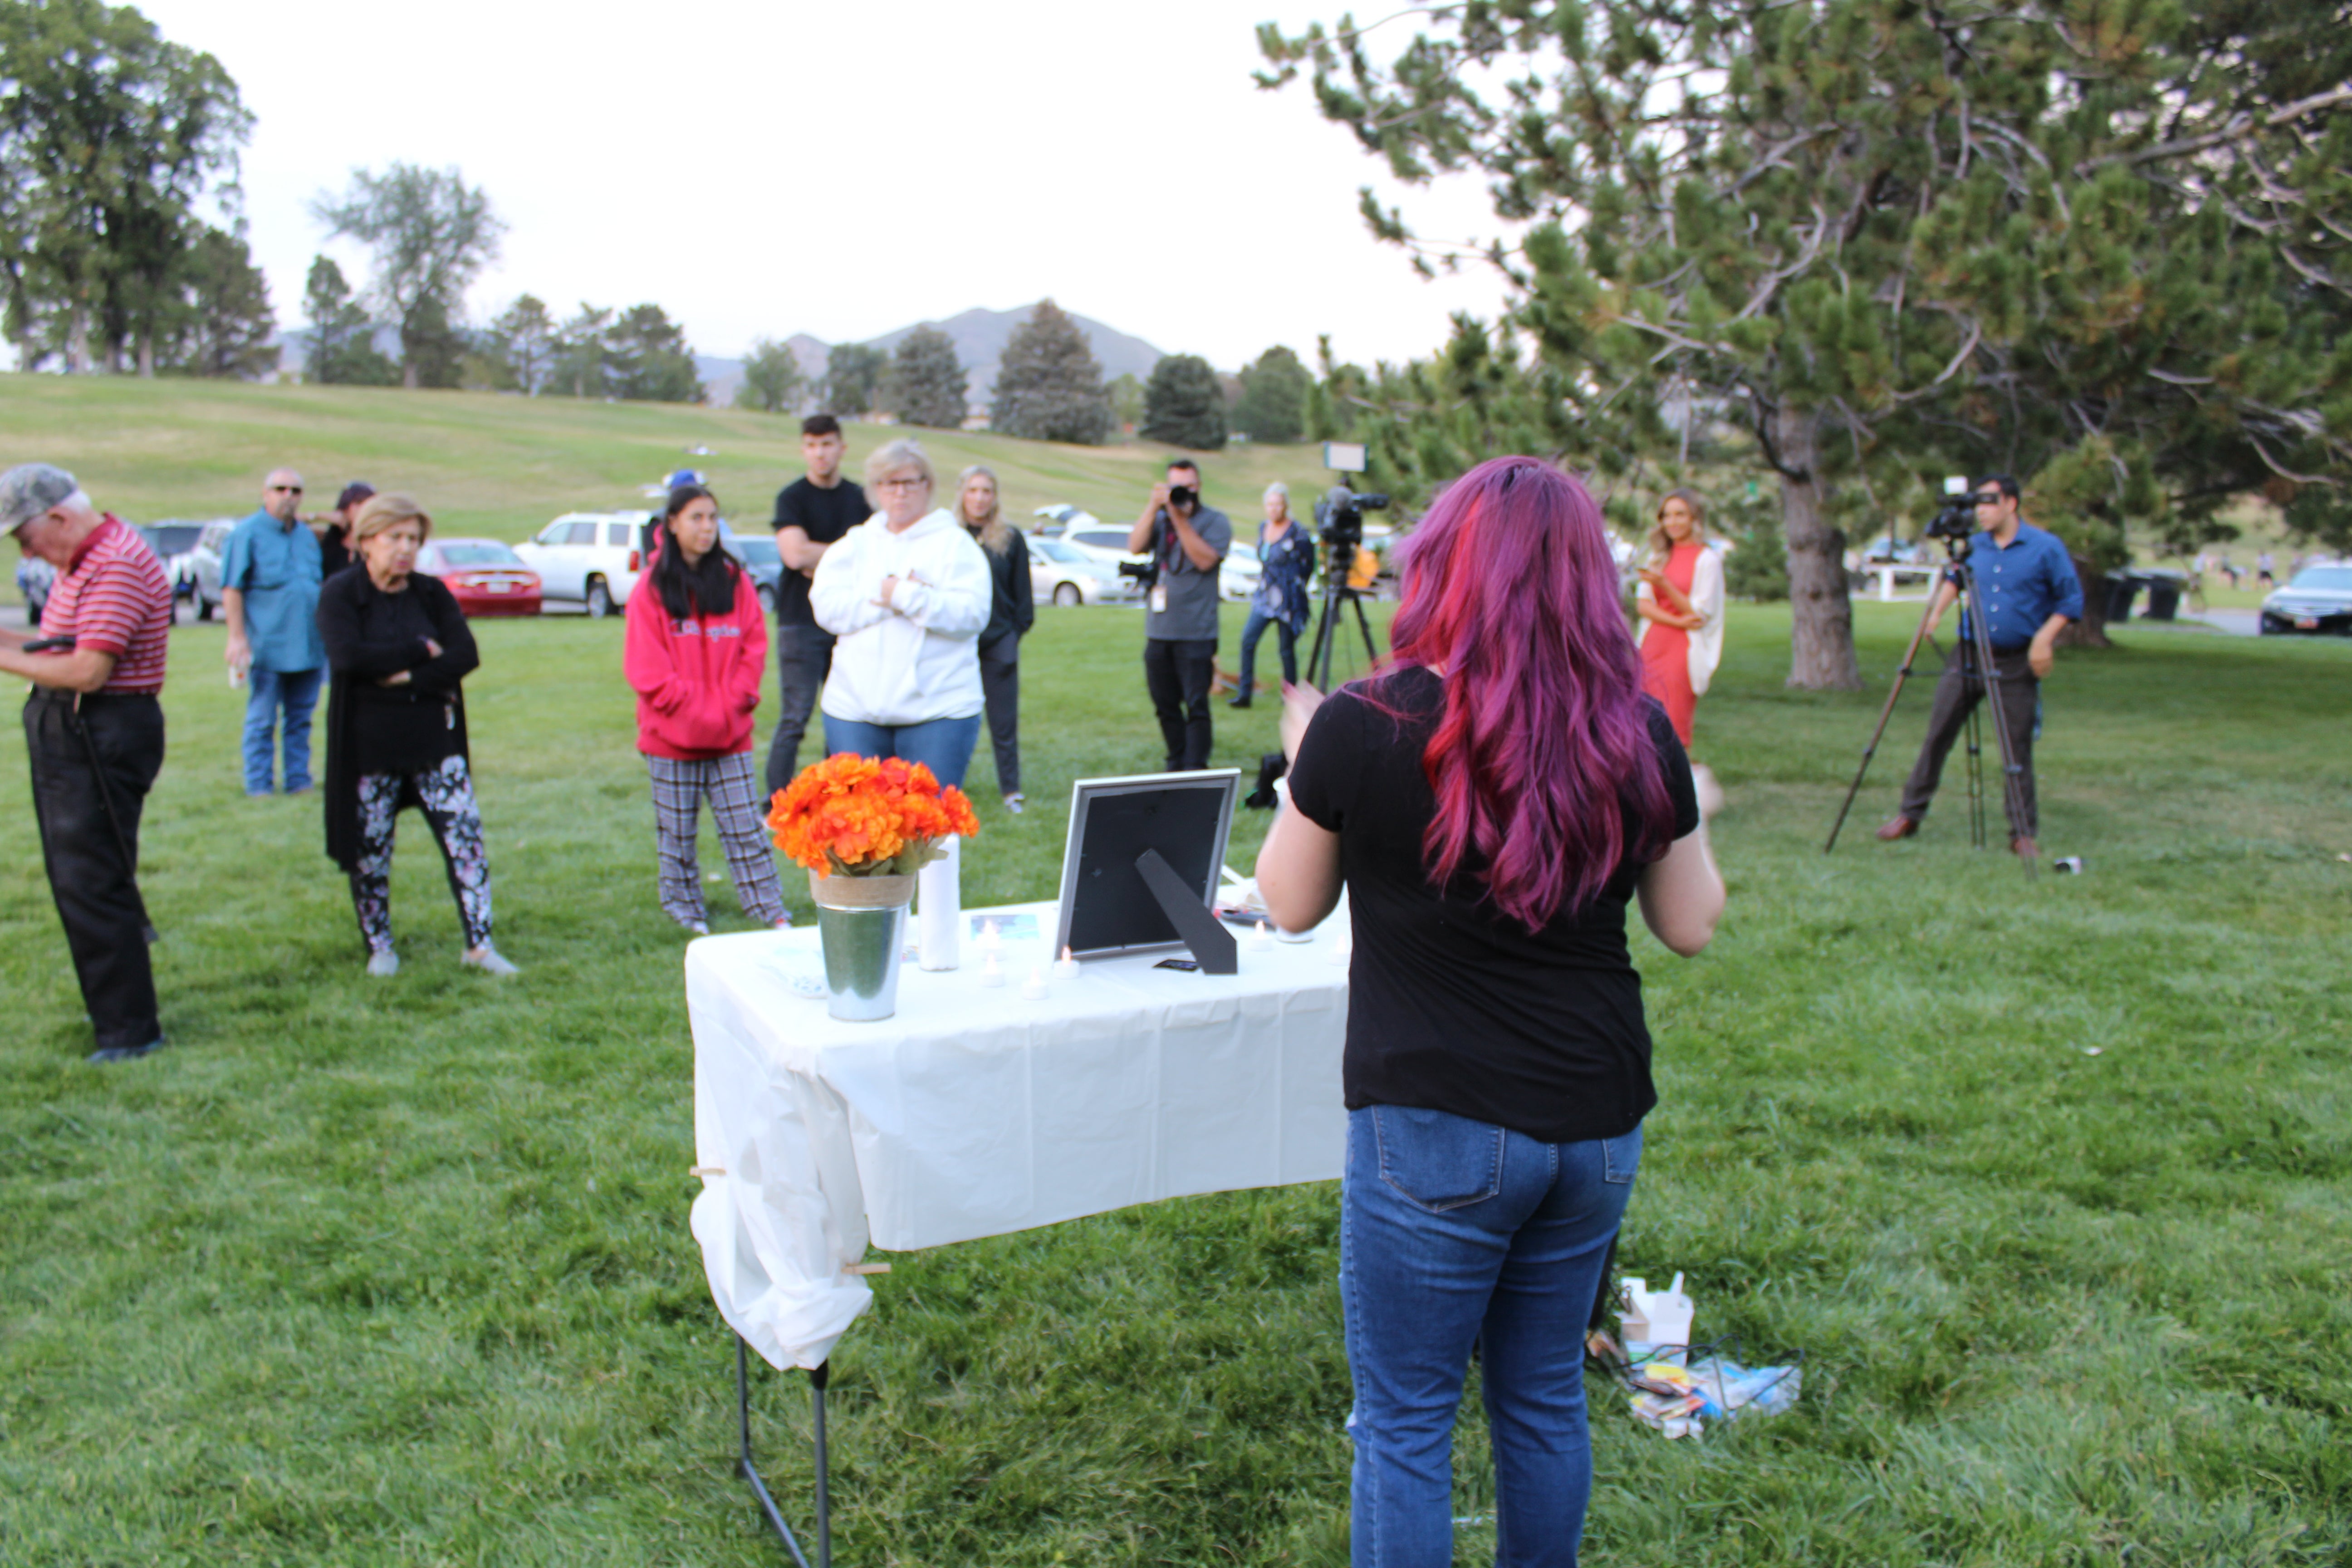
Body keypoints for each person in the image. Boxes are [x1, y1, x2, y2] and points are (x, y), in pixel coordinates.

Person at [1253, 456, 1724, 1567]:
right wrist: (1687, 804)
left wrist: (1297, 770)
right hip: (1592, 1121)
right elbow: (1692, 920)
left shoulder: (1364, 722)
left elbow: (1285, 902)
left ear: (1439, 569)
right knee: (1543, 1394)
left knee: (1408, 1421)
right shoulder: (1634, 727)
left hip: (1434, 1120)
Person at [0, 463, 176, 1063]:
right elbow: (54, 647)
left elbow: (86, 670)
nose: (27, 553)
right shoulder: (84, 561)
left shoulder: (115, 564)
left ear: (57, 517)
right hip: (77, 729)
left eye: (25, 539)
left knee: (93, 879)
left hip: (103, 730)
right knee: (79, 874)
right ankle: (115, 1006)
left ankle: (129, 1030)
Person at [318, 493, 518, 978]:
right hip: (369, 750)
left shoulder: (431, 593)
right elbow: (348, 657)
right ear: (367, 541)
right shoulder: (341, 593)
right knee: (370, 853)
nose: (406, 549)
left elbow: (464, 654)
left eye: (414, 539)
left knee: (466, 843)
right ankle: (380, 947)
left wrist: (408, 676)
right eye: (396, 538)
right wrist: (419, 649)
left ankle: (480, 945)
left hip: (435, 744)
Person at [1877, 474, 2083, 858]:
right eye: (1978, 505)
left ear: (2011, 504)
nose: (1981, 512)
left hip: (2016, 659)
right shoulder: (1972, 546)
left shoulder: (2045, 548)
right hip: (1968, 654)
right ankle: (1910, 815)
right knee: (1938, 734)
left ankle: (2022, 832)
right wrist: (1935, 614)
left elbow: (2070, 601)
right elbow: (1954, 579)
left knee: (2015, 747)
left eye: (1989, 503)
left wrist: (2044, 639)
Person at [624, 484, 791, 935]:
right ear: (672, 524)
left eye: (713, 518)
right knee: (676, 835)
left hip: (729, 733)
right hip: (670, 739)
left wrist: (732, 702)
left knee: (746, 829)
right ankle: (685, 910)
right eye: (696, 517)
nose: (706, 527)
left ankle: (768, 907)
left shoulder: (734, 581)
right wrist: (693, 709)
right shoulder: (651, 589)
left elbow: (753, 647)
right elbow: (646, 667)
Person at [808, 438, 991, 786]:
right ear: (876, 489)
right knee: (861, 830)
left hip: (939, 712)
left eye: (910, 482)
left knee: (929, 833)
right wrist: (886, 597)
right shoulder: (854, 545)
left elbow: (972, 615)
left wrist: (908, 597)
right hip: (853, 711)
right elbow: (826, 608)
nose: (900, 492)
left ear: (928, 485)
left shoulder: (955, 545)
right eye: (889, 483)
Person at [764, 415, 871, 795]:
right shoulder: (792, 498)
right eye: (811, 445)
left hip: (847, 623)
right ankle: (776, 803)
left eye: (827, 444)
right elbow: (794, 555)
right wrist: (846, 557)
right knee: (795, 716)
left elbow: (873, 558)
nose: (820, 453)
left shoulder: (861, 499)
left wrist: (820, 558)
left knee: (842, 714)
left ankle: (836, 799)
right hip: (799, 622)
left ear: (841, 447)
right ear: (803, 450)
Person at [222, 467, 326, 796]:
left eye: (295, 491)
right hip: (267, 643)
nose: (288, 496)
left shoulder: (306, 536)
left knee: (301, 718)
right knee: (263, 718)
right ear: (265, 493)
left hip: (309, 643)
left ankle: (298, 780)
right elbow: (232, 588)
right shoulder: (247, 534)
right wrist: (237, 637)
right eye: (280, 489)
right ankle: (259, 784)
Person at [1126, 458, 1231, 770]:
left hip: (1196, 632)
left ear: (1199, 487)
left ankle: (1196, 767)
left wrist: (1180, 518)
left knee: (1197, 705)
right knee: (1164, 704)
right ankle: (1176, 759)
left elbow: (1204, 561)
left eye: (1188, 487)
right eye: (1175, 487)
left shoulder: (1215, 521)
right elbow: (1134, 546)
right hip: (1159, 630)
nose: (1182, 493)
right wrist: (1153, 506)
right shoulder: (1160, 519)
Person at [956, 464, 1035, 811]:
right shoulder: (949, 537)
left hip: (1000, 640)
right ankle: (947, 790)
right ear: (962, 493)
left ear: (995, 496)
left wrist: (1011, 636)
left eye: (986, 490)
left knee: (1003, 721)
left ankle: (1011, 791)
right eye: (973, 490)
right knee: (953, 719)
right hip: (957, 643)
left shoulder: (1010, 539)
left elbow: (1024, 600)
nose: (979, 497)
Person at [1633, 488, 1726, 749]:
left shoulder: (1708, 560)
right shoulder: (1657, 557)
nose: (1672, 522)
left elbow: (1698, 614)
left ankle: (1675, 784)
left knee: (1674, 720)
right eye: (1667, 516)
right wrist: (1676, 621)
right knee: (1642, 719)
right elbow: (1644, 606)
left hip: (1683, 650)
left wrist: (1666, 585)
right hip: (1653, 645)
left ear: (1694, 518)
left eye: (1680, 515)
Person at [1230, 480, 1315, 707]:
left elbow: (1309, 564)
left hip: (1288, 598)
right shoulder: (1262, 528)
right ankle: (1244, 694)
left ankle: (1290, 696)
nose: (1274, 509)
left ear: (1286, 505)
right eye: (1270, 505)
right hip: (1265, 595)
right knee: (1248, 640)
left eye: (1278, 505)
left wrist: (1296, 586)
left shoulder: (1298, 533)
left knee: (1286, 649)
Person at [314, 481, 373, 579]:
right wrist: (318, 516)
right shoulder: (332, 541)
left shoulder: (376, 543)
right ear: (346, 507)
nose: (364, 508)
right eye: (359, 503)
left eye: (369, 504)